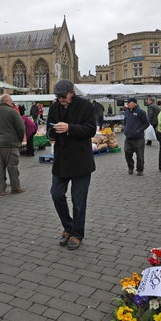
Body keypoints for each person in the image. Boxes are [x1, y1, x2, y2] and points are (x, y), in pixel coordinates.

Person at [46, 79, 96, 251]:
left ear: (72, 92)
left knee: (78, 201)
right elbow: (48, 128)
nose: (61, 99)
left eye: (63, 96)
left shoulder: (85, 106)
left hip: (81, 161)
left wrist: (69, 128)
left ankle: (77, 234)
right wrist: (51, 134)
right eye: (58, 96)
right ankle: (68, 227)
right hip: (61, 160)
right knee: (56, 194)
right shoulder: (54, 107)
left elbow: (91, 130)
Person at [0, 94, 26, 196]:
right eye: (11, 101)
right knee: (12, 166)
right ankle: (16, 187)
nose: (12, 103)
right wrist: (20, 139)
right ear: (7, 101)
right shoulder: (13, 112)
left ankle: (0, 190)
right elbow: (21, 128)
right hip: (11, 144)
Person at [123, 98, 150, 176]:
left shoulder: (141, 112)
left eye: (129, 103)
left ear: (134, 103)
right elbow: (125, 122)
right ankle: (130, 167)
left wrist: (139, 130)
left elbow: (146, 123)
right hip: (128, 138)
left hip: (139, 138)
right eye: (127, 103)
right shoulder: (127, 112)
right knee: (127, 153)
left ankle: (140, 170)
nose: (128, 104)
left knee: (140, 155)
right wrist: (125, 130)